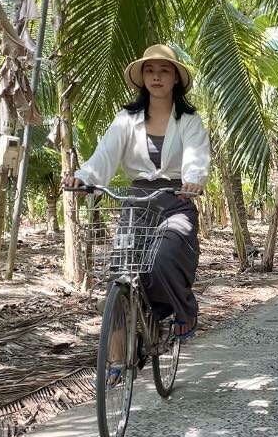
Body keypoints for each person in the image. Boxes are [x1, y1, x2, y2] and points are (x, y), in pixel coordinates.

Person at [63, 44, 209, 339]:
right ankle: (116, 357)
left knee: (164, 258)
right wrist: (83, 178)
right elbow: (105, 153)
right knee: (119, 274)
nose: (156, 76)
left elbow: (196, 154)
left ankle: (182, 308)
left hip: (176, 200)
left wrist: (193, 180)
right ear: (142, 78)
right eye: (150, 70)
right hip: (136, 204)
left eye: (164, 70)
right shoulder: (127, 118)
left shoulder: (189, 120)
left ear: (176, 78)